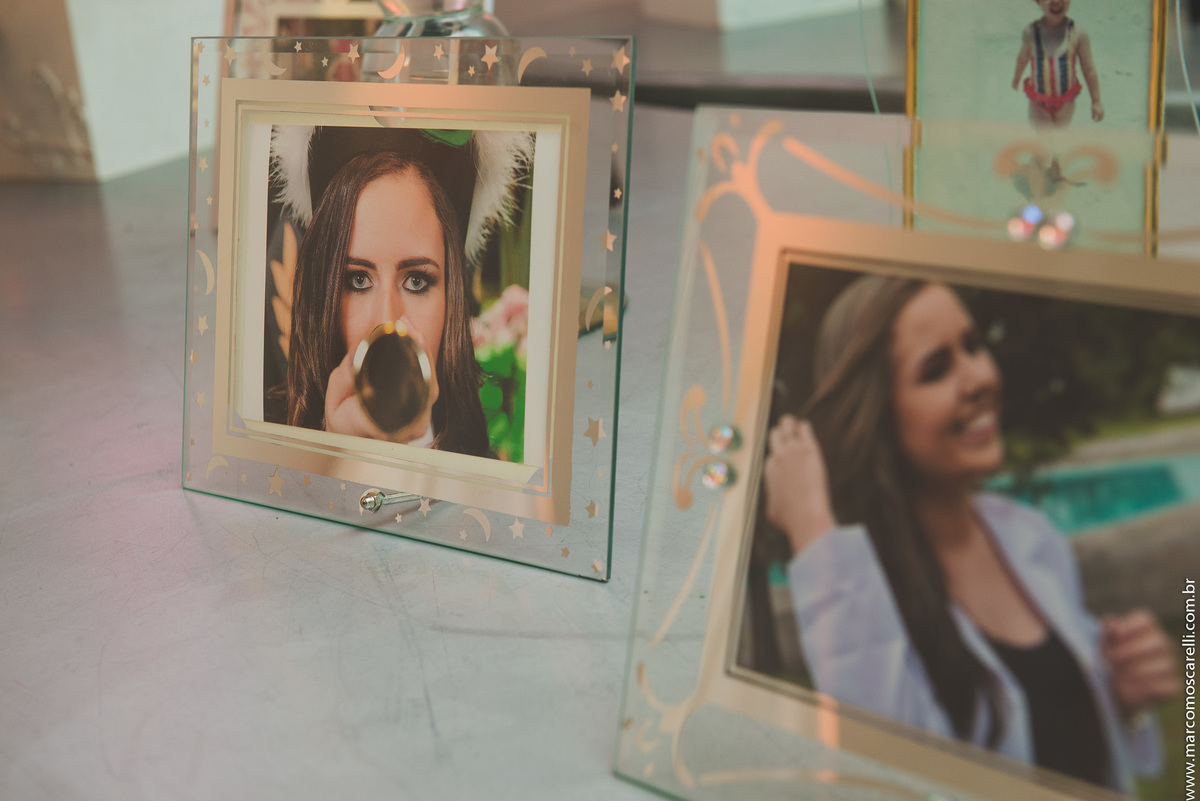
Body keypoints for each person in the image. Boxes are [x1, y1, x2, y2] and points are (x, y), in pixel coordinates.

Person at [761, 276, 1178, 792]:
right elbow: (885, 777)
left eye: (974, 346)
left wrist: (1124, 699)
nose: (979, 376)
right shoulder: (865, 599)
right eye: (936, 370)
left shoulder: (1034, 538)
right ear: (880, 417)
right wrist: (813, 530)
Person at [268, 125, 532, 456]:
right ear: (323, 289)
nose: (386, 320)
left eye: (416, 281)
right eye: (357, 280)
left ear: (453, 295)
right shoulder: (263, 445)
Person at [1011, 0, 1103, 127]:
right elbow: (1022, 58)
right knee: (1045, 139)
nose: (1056, 1)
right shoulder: (1031, 32)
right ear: (1039, 2)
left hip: (1066, 101)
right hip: (1038, 101)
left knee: (1059, 138)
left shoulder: (1078, 32)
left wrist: (1096, 101)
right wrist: (1016, 79)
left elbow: (1089, 69)